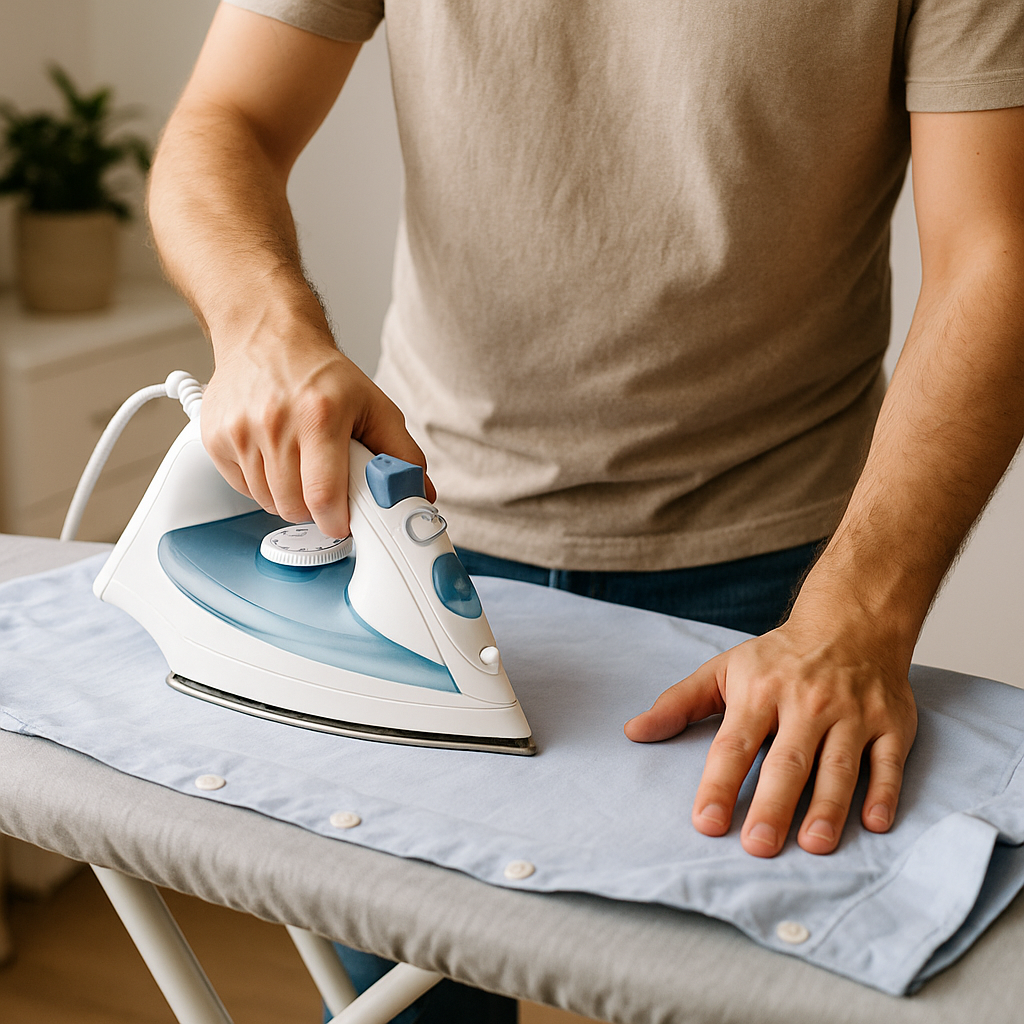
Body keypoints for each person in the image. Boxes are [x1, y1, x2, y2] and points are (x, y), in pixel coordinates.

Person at [148, 0, 1023, 1019]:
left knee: (736, 991)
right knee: (409, 995)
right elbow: (225, 119)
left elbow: (992, 255)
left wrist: (858, 615)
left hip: (776, 586)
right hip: (431, 524)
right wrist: (263, 325)